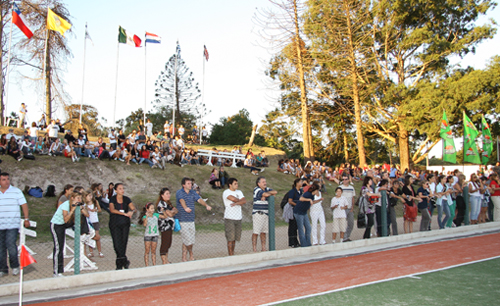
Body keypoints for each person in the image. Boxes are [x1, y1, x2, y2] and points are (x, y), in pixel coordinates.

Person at [0, 173, 30, 277]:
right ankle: (3, 269)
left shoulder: (16, 191)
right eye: (4, 179)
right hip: (0, 225)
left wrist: (26, 218)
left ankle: (15, 266)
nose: (6, 181)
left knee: (11, 244)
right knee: (1, 248)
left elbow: (24, 205)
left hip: (12, 224)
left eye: (8, 179)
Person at [176, 177, 212, 261]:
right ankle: (191, 255)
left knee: (190, 239)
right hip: (183, 220)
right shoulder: (179, 192)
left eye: (191, 183)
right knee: (187, 239)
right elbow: (181, 200)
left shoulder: (193, 193)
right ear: (183, 185)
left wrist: (206, 205)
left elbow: (199, 200)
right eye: (188, 183)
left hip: (191, 219)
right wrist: (185, 208)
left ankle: (184, 257)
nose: (190, 185)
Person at [49, 191, 83, 277]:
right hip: (56, 225)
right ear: (72, 198)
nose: (79, 200)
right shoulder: (65, 205)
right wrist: (72, 210)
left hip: (63, 226)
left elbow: (85, 214)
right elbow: (65, 219)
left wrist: (82, 209)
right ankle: (56, 271)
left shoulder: (77, 205)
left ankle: (60, 271)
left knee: (61, 246)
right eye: (77, 198)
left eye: (80, 198)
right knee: (58, 248)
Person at [109, 183, 136, 270]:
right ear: (116, 190)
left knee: (123, 244)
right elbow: (112, 210)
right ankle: (124, 261)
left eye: (123, 188)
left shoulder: (126, 199)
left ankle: (119, 265)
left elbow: (133, 208)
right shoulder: (112, 199)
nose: (122, 190)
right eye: (120, 189)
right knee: (117, 244)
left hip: (125, 224)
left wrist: (131, 212)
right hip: (115, 224)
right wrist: (123, 213)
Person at [252, 177, 277, 252]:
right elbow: (265, 194)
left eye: (265, 181)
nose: (265, 183)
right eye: (263, 182)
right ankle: (254, 248)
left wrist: (266, 195)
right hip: (258, 213)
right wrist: (266, 195)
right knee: (256, 232)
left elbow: (275, 192)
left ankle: (263, 247)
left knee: (263, 232)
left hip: (266, 214)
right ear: (258, 183)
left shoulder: (267, 189)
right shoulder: (257, 189)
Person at [223, 178, 246, 256]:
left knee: (235, 238)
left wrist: (237, 203)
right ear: (230, 185)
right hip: (230, 218)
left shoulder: (239, 192)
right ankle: (230, 254)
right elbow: (233, 199)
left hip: (238, 218)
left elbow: (244, 201)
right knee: (230, 237)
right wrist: (239, 201)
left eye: (237, 183)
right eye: (235, 184)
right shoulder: (226, 192)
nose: (237, 185)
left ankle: (232, 252)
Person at [156, 188, 177, 264]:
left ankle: (166, 259)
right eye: (167, 194)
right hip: (165, 226)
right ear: (162, 195)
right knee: (165, 242)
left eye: (169, 193)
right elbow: (170, 213)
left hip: (170, 226)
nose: (169, 195)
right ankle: (164, 260)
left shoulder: (168, 204)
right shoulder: (161, 204)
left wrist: (172, 212)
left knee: (168, 242)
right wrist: (172, 212)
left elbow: (175, 210)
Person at [294, 183, 318, 247]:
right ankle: (303, 244)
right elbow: (301, 199)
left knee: (308, 227)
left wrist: (316, 201)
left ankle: (308, 242)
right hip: (299, 212)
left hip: (304, 212)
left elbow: (312, 201)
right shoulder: (308, 194)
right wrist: (309, 200)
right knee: (301, 228)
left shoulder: (312, 196)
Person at [83, 189, 103, 258]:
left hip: (95, 221)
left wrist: (96, 210)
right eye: (88, 196)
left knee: (97, 236)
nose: (90, 197)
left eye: (91, 195)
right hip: (89, 222)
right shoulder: (84, 204)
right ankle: (91, 252)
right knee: (90, 236)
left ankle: (100, 251)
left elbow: (100, 210)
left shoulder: (95, 202)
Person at [338, 174, 356, 242]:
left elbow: (353, 198)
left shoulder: (351, 188)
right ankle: (343, 237)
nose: (344, 181)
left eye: (345, 179)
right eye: (343, 179)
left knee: (351, 223)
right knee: (342, 223)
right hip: (343, 208)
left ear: (348, 180)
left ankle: (346, 236)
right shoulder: (340, 188)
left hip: (349, 208)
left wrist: (352, 207)